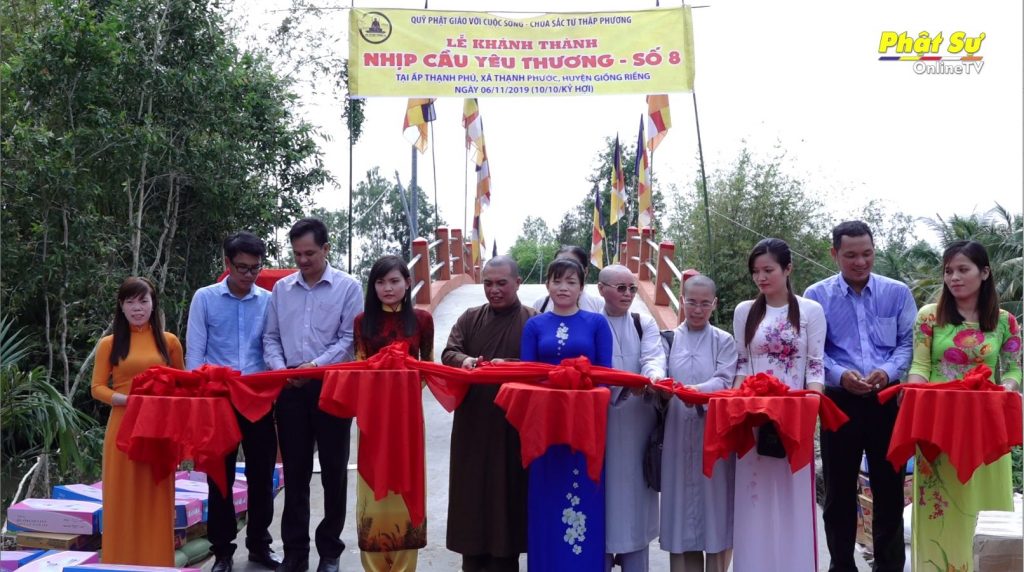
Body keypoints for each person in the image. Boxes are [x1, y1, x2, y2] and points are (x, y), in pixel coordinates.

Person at [804, 221, 917, 572]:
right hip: (840, 403)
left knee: (889, 492)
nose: (860, 262)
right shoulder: (816, 296)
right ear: (834, 253)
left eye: (866, 254)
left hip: (887, 403)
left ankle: (889, 567)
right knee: (838, 494)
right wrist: (840, 375)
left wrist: (888, 371)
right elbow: (812, 352)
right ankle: (841, 566)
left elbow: (909, 343)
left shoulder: (896, 292)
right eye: (850, 255)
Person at [906, 240, 1021, 572]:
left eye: (962, 269)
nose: (953, 277)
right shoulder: (929, 316)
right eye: (948, 271)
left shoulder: (1004, 322)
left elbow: (1013, 368)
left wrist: (1004, 391)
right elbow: (920, 367)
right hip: (940, 425)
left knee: (987, 510)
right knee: (939, 509)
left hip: (986, 426)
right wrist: (917, 400)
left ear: (984, 273)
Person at [263, 218, 364, 572]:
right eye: (297, 254)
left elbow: (349, 341)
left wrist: (312, 367)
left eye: (309, 253)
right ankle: (295, 553)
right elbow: (271, 337)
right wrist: (283, 370)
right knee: (295, 472)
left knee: (335, 471)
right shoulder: (282, 290)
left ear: (326, 249)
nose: (303, 260)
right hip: (290, 389)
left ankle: (330, 551)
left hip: (332, 386)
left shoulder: (348, 288)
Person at [185, 232, 280, 572]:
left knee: (262, 474)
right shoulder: (205, 298)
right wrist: (199, 400)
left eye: (254, 268)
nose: (248, 275)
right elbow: (195, 354)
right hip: (217, 401)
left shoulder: (269, 300)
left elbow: (272, 347)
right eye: (241, 267)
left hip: (256, 398)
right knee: (219, 478)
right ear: (227, 264)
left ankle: (259, 546)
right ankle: (222, 552)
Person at [730, 238, 826, 572]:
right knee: (753, 496)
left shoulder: (810, 310)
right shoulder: (745, 311)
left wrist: (811, 408)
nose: (761, 277)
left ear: (788, 269)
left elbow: (815, 365)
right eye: (756, 271)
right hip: (754, 415)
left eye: (768, 270)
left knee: (793, 495)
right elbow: (742, 366)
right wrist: (736, 411)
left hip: (793, 415)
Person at [443, 256, 535, 572]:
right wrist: (465, 361)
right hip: (473, 424)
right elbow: (449, 352)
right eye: (487, 283)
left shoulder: (532, 321)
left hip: (512, 426)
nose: (493, 290)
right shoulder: (470, 318)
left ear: (518, 282)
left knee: (507, 497)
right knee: (473, 498)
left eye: (501, 283)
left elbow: (542, 367)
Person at [520, 258, 613, 571]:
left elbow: (604, 375)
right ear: (547, 285)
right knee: (546, 503)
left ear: (581, 287)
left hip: (585, 428)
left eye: (571, 282)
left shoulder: (597, 323)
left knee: (585, 497)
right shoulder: (534, 325)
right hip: (545, 431)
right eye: (557, 281)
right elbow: (528, 376)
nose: (563, 288)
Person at [91, 276, 184, 565]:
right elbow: (97, 388)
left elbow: (183, 385)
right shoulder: (110, 343)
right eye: (130, 302)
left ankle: (158, 563)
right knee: (122, 497)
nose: (137, 308)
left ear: (153, 303)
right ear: (121, 306)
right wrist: (128, 400)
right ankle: (120, 562)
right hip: (123, 426)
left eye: (143, 300)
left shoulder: (169, 342)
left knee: (156, 496)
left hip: (159, 427)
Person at [352, 255, 434, 572]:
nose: (388, 288)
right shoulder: (363, 322)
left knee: (407, 485)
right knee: (372, 490)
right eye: (381, 282)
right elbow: (360, 366)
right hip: (373, 417)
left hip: (408, 419)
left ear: (408, 283)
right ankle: (374, 565)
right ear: (373, 287)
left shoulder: (422, 321)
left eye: (394, 281)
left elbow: (425, 368)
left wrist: (401, 396)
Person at [660, 274, 737, 572]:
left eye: (705, 303)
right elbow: (656, 369)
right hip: (676, 435)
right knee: (681, 516)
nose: (697, 309)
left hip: (713, 438)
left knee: (715, 513)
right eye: (692, 301)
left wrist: (691, 392)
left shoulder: (724, 341)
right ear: (681, 300)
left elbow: (725, 380)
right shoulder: (668, 338)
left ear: (714, 304)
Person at [595, 264, 665, 572]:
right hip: (601, 423)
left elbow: (653, 356)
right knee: (603, 499)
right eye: (620, 288)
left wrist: (651, 378)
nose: (627, 294)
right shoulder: (592, 323)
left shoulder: (643, 322)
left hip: (638, 422)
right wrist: (623, 386)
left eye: (632, 288)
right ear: (601, 289)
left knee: (635, 499)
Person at [531, 245, 604, 313]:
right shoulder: (540, 305)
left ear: (585, 271)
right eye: (559, 264)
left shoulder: (598, 306)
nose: (565, 267)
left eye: (572, 263)